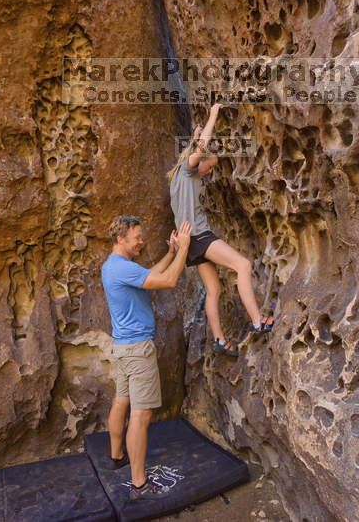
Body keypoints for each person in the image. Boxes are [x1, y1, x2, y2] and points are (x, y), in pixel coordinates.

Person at [167, 103, 274, 357]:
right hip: (200, 237)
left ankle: (219, 340)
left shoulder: (178, 178)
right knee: (243, 266)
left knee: (213, 289)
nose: (210, 171)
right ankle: (258, 320)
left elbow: (195, 149)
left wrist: (194, 139)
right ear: (198, 162)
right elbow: (200, 148)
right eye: (210, 166)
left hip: (188, 242)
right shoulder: (189, 171)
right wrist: (213, 115)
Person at [101, 215, 191, 500]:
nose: (142, 241)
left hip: (122, 348)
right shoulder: (122, 268)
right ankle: (139, 484)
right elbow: (168, 280)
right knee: (141, 415)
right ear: (121, 238)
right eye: (137, 237)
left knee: (122, 401)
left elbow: (150, 274)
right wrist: (185, 248)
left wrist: (172, 252)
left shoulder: (114, 266)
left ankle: (116, 456)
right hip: (138, 351)